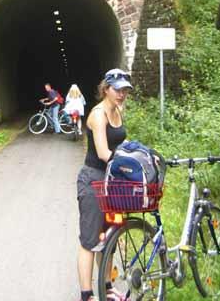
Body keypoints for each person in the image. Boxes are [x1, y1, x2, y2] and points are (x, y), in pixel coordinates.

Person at [76, 68, 132, 301]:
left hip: (112, 181)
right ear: (106, 89)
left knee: (107, 237)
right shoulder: (98, 114)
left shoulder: (118, 110)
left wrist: (138, 153)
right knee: (90, 240)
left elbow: (122, 141)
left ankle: (107, 286)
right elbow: (103, 152)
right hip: (94, 180)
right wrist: (129, 164)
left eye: (125, 90)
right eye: (117, 89)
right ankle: (87, 294)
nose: (121, 94)